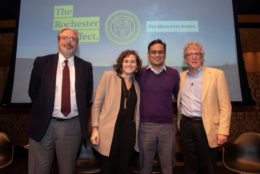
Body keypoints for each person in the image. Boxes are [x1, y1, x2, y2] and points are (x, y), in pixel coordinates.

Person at [28, 27, 93, 174]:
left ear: (77, 43)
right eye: (65, 38)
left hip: (72, 126)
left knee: (67, 169)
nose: (69, 42)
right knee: (39, 169)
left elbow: (86, 96)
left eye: (73, 39)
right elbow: (33, 91)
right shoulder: (42, 62)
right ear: (58, 41)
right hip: (43, 124)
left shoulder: (86, 66)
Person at [177, 41, 232, 174]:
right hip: (186, 125)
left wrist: (223, 131)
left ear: (202, 57)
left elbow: (225, 105)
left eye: (197, 54)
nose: (194, 57)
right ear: (185, 59)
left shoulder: (217, 74)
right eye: (190, 54)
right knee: (189, 165)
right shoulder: (180, 77)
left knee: (208, 166)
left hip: (206, 126)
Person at [90, 50, 142, 174]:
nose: (129, 64)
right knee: (107, 169)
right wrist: (95, 128)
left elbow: (136, 113)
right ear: (121, 63)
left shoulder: (137, 85)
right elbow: (97, 104)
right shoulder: (109, 76)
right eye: (126, 61)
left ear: (137, 65)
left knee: (123, 169)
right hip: (109, 131)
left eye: (133, 61)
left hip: (129, 134)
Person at [137, 39, 180, 174]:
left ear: (165, 54)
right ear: (148, 55)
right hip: (145, 126)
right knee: (145, 167)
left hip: (167, 127)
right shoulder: (139, 73)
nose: (157, 54)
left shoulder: (174, 74)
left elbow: (180, 99)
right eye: (153, 52)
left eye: (160, 52)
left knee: (167, 167)